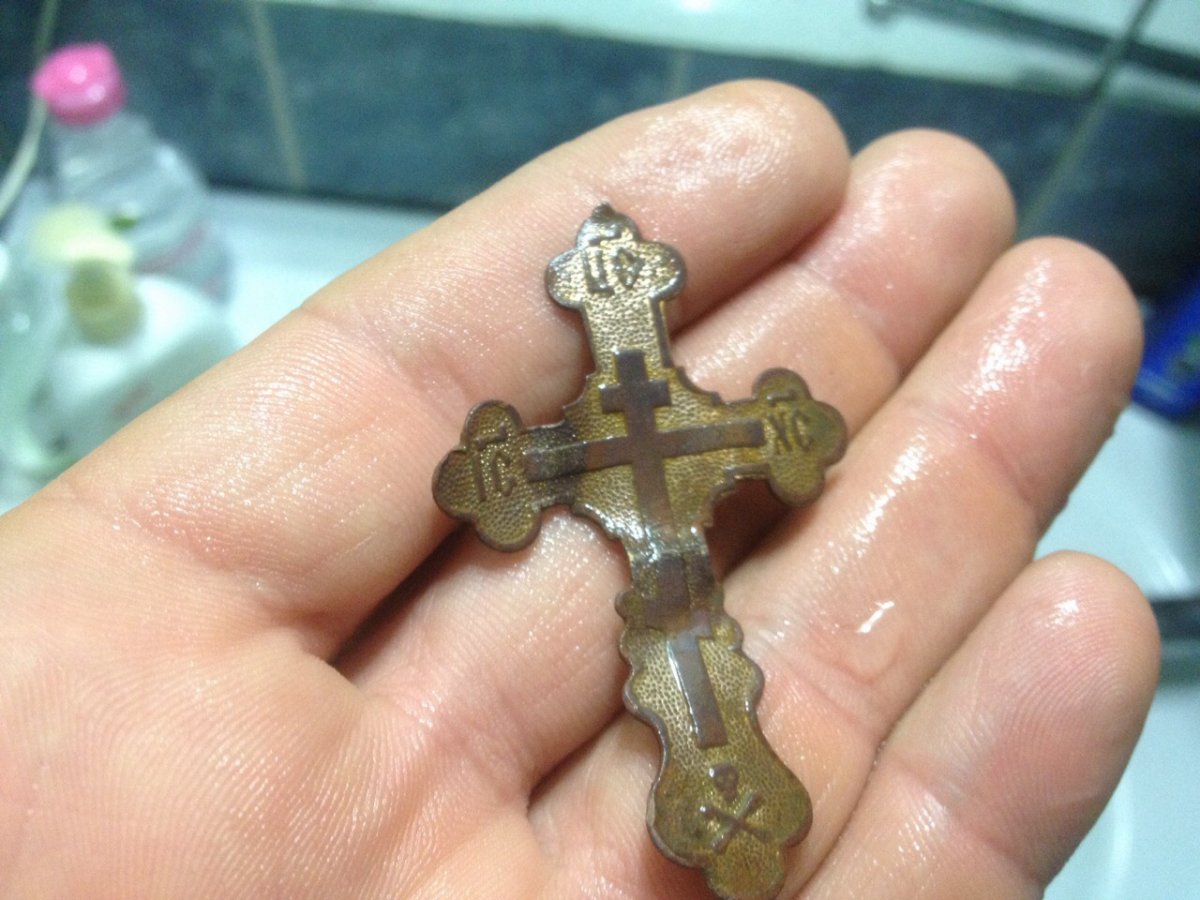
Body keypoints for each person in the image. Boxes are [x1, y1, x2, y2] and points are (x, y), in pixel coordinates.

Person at [0, 81, 1159, 898]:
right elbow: (500, 472)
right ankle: (726, 799)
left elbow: (781, 430)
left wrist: (753, 438)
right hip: (657, 565)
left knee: (691, 642)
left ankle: (726, 801)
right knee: (685, 641)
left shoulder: (709, 427)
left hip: (676, 555)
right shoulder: (577, 447)